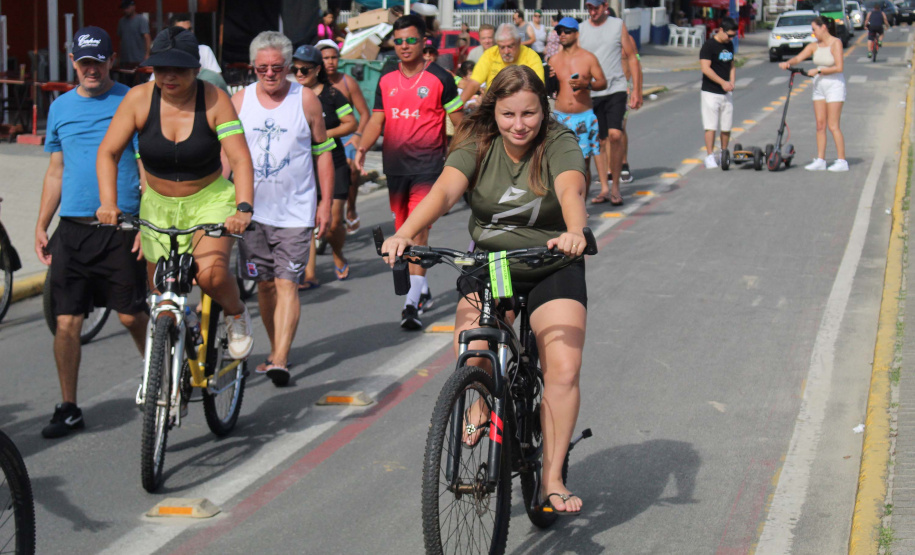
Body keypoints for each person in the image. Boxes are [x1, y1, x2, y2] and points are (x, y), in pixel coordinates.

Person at [381, 65, 590, 515]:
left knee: (564, 367)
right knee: (473, 344)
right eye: (509, 114)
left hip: (552, 261)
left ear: (543, 110)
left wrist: (576, 230)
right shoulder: (476, 141)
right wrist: (406, 232)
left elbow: (571, 188)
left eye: (529, 114)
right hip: (494, 262)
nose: (520, 125)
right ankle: (476, 398)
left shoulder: (558, 140)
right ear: (494, 110)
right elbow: (442, 192)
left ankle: (551, 478)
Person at [95, 27, 255, 362]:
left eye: (179, 68)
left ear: (197, 69)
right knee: (161, 296)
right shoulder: (139, 99)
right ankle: (169, 377)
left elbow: (240, 159)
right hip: (157, 205)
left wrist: (243, 208)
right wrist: (108, 203)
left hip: (209, 200)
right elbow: (108, 152)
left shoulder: (215, 99)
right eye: (161, 67)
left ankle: (237, 312)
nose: (169, 76)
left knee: (210, 274)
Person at [34, 26, 149, 439]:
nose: (91, 69)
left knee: (130, 314)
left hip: (120, 226)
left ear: (111, 61)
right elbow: (55, 170)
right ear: (74, 63)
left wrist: (144, 222)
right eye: (84, 63)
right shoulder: (61, 108)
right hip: (74, 229)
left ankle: (158, 381)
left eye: (98, 61)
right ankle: (68, 407)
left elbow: (144, 165)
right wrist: (42, 224)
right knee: (66, 321)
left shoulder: (131, 100)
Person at [230, 33, 334, 384]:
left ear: (288, 67)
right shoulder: (240, 100)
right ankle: (276, 349)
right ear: (253, 67)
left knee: (287, 282)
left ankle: (280, 358)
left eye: (277, 67)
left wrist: (324, 203)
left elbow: (323, 153)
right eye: (262, 68)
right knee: (264, 285)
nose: (270, 74)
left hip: (296, 211)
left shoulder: (305, 100)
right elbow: (226, 156)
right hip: (251, 213)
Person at [354, 14, 464, 330]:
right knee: (403, 230)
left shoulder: (441, 78)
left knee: (415, 235)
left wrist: (469, 156)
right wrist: (362, 146)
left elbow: (461, 122)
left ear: (423, 41)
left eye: (410, 40)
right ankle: (422, 290)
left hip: (428, 167)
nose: (404, 46)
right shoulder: (386, 79)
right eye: (398, 41)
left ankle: (410, 305)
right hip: (395, 168)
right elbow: (377, 120)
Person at [293, 45, 356, 288]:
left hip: (334, 163)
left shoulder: (331, 95)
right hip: (303, 165)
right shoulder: (290, 96)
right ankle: (309, 274)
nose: (299, 73)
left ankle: (338, 252)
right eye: (295, 68)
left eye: (304, 69)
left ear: (317, 69)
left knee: (331, 223)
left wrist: (322, 134)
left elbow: (351, 123)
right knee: (307, 220)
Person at [579, 0, 642, 207]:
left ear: (605, 5)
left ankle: (616, 187)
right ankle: (604, 188)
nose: (592, 11)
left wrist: (637, 91)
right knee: (600, 141)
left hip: (616, 88)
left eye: (596, 7)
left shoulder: (617, 25)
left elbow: (632, 58)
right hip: (593, 91)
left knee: (615, 135)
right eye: (589, 7)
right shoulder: (581, 30)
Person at [315, 39, 370, 235]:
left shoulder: (347, 82)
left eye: (333, 57)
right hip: (317, 141)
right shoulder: (311, 84)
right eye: (325, 58)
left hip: (345, 137)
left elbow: (364, 113)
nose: (330, 62)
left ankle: (351, 207)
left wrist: (357, 136)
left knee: (352, 168)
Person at [548, 17, 608, 196]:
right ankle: (562, 203)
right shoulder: (553, 60)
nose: (562, 35)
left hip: (583, 116)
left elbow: (603, 82)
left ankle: (582, 203)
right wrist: (548, 80)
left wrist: (586, 84)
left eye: (566, 31)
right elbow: (549, 90)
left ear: (576, 33)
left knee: (583, 164)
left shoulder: (588, 58)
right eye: (559, 32)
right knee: (559, 162)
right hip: (560, 117)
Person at [780, 16, 847, 171]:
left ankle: (842, 161)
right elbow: (799, 57)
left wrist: (818, 70)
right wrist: (788, 63)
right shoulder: (814, 46)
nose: (812, 33)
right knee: (820, 124)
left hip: (834, 84)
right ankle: (821, 160)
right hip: (819, 86)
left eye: (814, 29)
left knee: (833, 125)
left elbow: (839, 67)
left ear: (823, 27)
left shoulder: (835, 43)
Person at [461, 23, 545, 103]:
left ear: (519, 41)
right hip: (493, 105)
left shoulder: (531, 56)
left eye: (510, 46)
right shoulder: (490, 54)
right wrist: (456, 107)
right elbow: (474, 83)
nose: (506, 51)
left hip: (522, 104)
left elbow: (538, 87)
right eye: (502, 47)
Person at [699, 18, 737, 169]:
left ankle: (724, 153)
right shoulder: (709, 46)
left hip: (726, 92)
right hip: (710, 92)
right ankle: (709, 155)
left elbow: (732, 65)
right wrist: (722, 82)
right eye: (729, 35)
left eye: (733, 36)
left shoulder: (730, 45)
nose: (731, 38)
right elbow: (705, 68)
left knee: (726, 126)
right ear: (721, 30)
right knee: (711, 126)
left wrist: (732, 82)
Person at [117, 0, 150, 69]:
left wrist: (147, 55)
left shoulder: (141, 20)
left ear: (133, 7)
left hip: (139, 58)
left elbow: (147, 38)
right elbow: (120, 40)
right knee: (125, 78)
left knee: (140, 78)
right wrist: (119, 57)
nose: (125, 10)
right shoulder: (121, 22)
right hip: (125, 59)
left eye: (127, 8)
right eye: (124, 8)